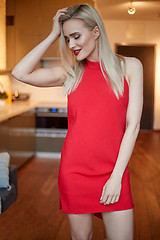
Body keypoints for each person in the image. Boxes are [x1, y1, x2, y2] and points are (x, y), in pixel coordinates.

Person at [12, 4, 143, 240]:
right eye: (66, 38)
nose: (71, 44)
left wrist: (115, 178)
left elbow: (133, 127)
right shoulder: (70, 72)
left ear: (96, 31)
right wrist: (53, 34)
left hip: (114, 171)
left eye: (76, 36)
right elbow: (20, 73)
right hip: (75, 172)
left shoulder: (130, 67)